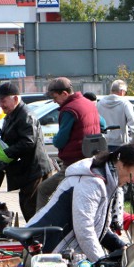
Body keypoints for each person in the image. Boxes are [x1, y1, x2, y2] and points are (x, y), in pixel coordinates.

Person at [0, 83, 54, 221]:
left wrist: (5, 153)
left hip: (34, 170)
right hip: (25, 171)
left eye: (3, 101)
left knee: (31, 209)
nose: (1, 105)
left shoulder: (25, 115)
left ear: (15, 99)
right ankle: (35, 238)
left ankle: (38, 239)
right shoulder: (12, 115)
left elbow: (28, 142)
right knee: (26, 206)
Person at [36, 77, 102, 209]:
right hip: (92, 160)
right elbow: (102, 124)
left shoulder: (69, 110)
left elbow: (60, 141)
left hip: (74, 163)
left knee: (43, 190)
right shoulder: (88, 103)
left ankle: (41, 226)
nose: (54, 101)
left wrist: (55, 140)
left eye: (55, 97)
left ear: (64, 94)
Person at [98, 80, 134, 151]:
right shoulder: (125, 103)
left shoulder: (100, 103)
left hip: (103, 143)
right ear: (122, 91)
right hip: (120, 144)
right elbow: (133, 121)